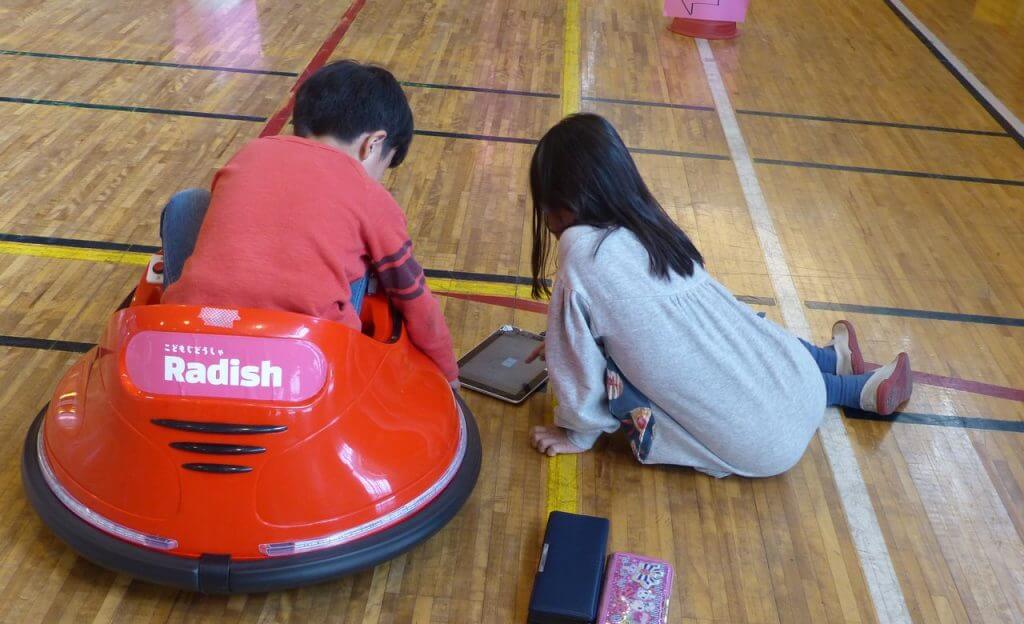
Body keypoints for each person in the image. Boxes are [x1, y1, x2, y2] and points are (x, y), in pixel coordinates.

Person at [526, 114, 912, 477]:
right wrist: (567, 342)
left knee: (621, 374)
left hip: (762, 447)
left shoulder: (580, 250)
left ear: (564, 204)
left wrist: (576, 434)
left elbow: (582, 375)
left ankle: (846, 375)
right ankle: (838, 368)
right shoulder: (649, 227)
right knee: (738, 325)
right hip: (801, 385)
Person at [159, 60, 459, 385]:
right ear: (372, 144)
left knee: (188, 203)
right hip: (307, 356)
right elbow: (414, 297)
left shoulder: (250, 153)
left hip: (193, 341)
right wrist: (448, 375)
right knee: (368, 260)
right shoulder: (370, 194)